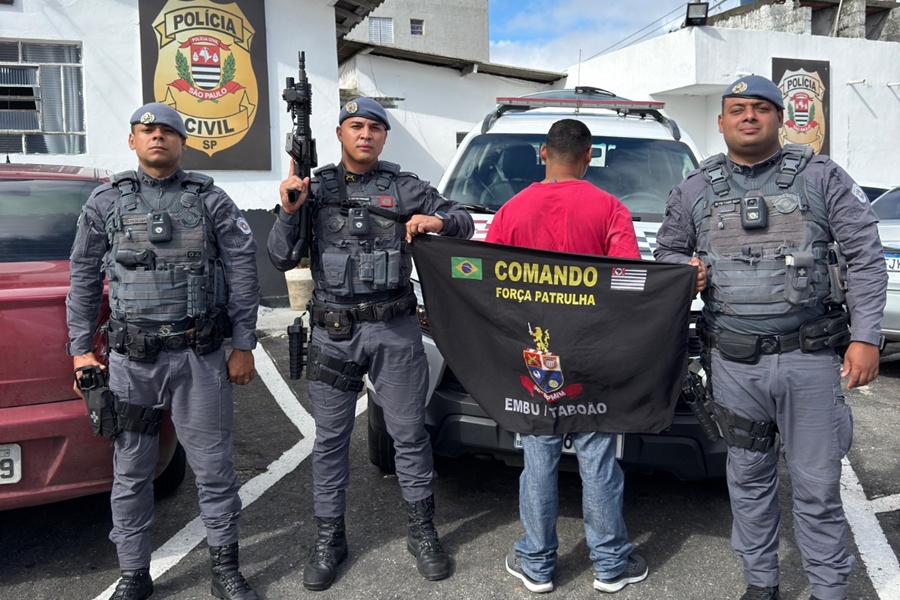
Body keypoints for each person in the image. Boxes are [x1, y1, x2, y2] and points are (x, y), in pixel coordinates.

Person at [654, 75, 887, 600]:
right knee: (748, 479)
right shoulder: (694, 188)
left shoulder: (821, 177)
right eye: (738, 109)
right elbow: (666, 251)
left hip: (810, 360)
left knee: (818, 487)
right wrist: (683, 268)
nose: (749, 117)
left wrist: (866, 336)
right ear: (721, 121)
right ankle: (761, 585)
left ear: (780, 119)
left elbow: (865, 256)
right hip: (734, 364)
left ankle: (829, 589)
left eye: (760, 108)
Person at [267, 97, 474, 591]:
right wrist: (290, 209)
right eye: (356, 126)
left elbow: (462, 220)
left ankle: (422, 531)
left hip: (394, 330)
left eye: (375, 128)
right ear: (340, 133)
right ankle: (328, 539)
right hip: (334, 332)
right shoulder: (313, 189)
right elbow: (280, 257)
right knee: (330, 439)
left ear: (384, 136)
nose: (366, 134)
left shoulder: (405, 187)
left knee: (409, 434)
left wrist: (437, 222)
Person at [66, 102, 261, 600]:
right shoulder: (105, 201)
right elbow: (83, 278)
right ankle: (134, 572)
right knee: (132, 470)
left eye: (168, 131)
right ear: (132, 140)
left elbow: (243, 271)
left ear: (183, 142)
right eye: (147, 130)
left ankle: (225, 567)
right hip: (133, 362)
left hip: (199, 356)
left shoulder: (211, 199)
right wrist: (80, 350)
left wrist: (243, 343)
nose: (158, 136)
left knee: (214, 468)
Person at [486, 118, 665, 594]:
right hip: (594, 356)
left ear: (543, 153)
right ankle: (610, 565)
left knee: (538, 458)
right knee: (599, 458)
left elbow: (489, 283)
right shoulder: (610, 208)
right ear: (588, 157)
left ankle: (536, 563)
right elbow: (628, 283)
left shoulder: (510, 210)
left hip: (534, 355)